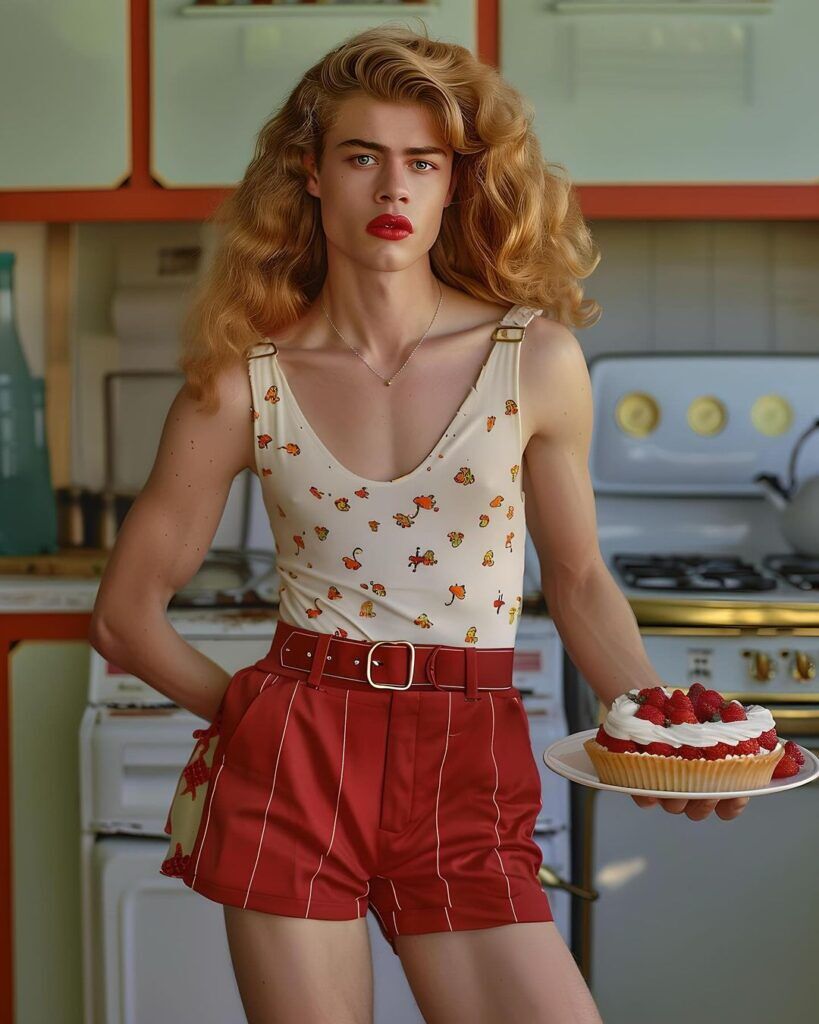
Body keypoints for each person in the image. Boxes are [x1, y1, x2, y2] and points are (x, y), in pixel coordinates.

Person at [89, 23, 748, 1024]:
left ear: (453, 182)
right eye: (363, 157)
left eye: (421, 162)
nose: (392, 188)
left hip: (467, 752)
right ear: (310, 174)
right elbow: (126, 616)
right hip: (294, 751)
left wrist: (658, 734)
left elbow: (576, 582)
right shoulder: (241, 379)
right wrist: (259, 723)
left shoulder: (535, 360)